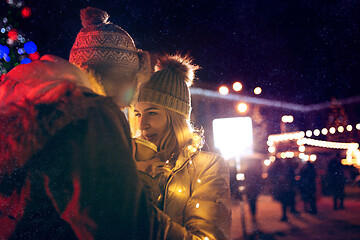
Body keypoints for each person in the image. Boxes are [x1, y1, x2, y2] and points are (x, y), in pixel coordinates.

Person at [0, 7, 153, 240]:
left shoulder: (15, 95)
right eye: (133, 82)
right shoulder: (92, 113)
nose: (132, 100)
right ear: (122, 76)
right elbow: (120, 226)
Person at [133, 54, 232, 239]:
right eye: (138, 113)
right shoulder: (131, 160)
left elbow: (207, 237)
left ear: (176, 116)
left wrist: (139, 203)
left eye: (152, 113)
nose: (142, 124)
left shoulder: (207, 167)